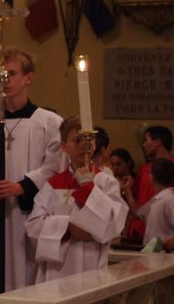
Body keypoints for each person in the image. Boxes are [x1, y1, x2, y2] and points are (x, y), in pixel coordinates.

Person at [0, 46, 63, 293]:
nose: (4, 81)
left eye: (12, 73)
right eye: (1, 75)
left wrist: (23, 186)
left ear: (29, 77)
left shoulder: (49, 123)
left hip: (27, 215)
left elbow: (55, 166)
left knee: (26, 281)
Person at [25, 117, 128, 283]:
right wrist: (67, 227)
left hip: (92, 263)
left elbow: (115, 224)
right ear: (63, 147)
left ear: (94, 144)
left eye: (88, 140)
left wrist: (88, 188)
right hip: (57, 271)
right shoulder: (53, 185)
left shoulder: (105, 181)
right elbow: (33, 226)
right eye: (76, 140)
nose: (83, 145)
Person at [141, 158, 174, 250]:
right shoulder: (157, 199)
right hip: (153, 255)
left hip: (165, 256)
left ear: (152, 177)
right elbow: (138, 213)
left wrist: (166, 244)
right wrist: (127, 192)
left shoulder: (169, 198)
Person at [135, 125, 172, 207]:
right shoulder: (144, 170)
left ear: (157, 142)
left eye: (146, 140)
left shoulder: (172, 168)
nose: (143, 145)